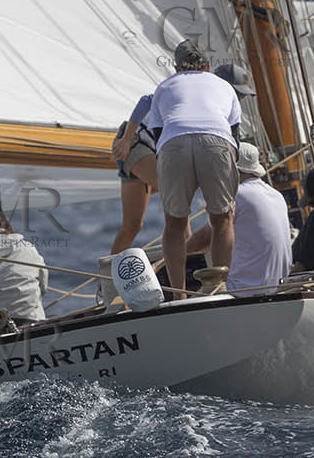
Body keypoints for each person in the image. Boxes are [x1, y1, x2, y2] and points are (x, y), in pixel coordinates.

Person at [144, 40, 242, 297]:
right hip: (217, 140)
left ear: (176, 68)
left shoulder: (164, 87)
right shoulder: (224, 86)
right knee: (223, 220)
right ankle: (219, 289)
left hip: (173, 143)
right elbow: (235, 136)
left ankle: (179, 294)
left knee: (175, 224)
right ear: (207, 65)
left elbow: (157, 135)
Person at [188, 143, 289, 296]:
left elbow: (203, 240)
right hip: (277, 288)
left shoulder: (236, 196)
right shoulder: (276, 195)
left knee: (188, 298)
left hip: (244, 290)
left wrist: (173, 253)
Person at [110, 91, 159, 255]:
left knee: (132, 226)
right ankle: (186, 259)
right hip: (134, 144)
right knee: (174, 191)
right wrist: (126, 139)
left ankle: (109, 277)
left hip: (155, 151)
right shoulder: (180, 87)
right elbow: (147, 100)